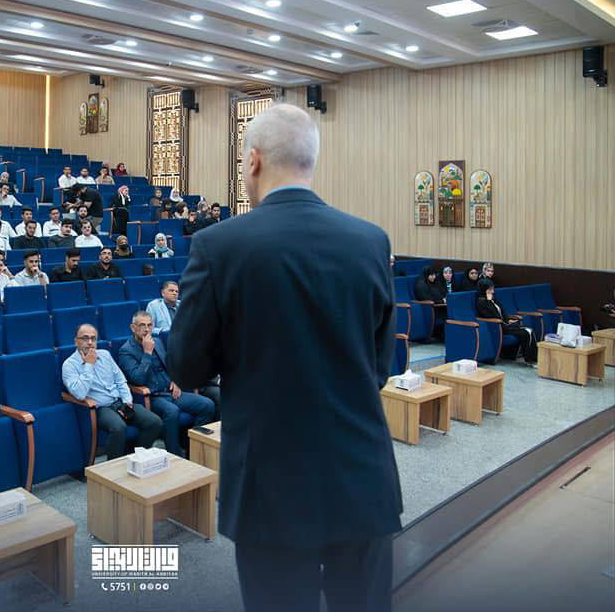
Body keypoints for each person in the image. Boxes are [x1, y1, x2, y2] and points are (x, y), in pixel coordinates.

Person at [166, 103, 401, 612]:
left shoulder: (218, 245)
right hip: (362, 476)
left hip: (269, 486)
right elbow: (381, 368)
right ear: (311, 160)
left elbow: (186, 367)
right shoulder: (370, 241)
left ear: (252, 160)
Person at [118, 311, 215, 457]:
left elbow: (169, 365)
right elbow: (138, 379)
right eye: (142, 325)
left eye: (149, 325)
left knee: (207, 405)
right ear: (133, 327)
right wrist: (147, 353)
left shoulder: (157, 341)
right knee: (172, 411)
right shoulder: (126, 350)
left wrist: (175, 379)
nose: (146, 329)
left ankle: (192, 449)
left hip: (171, 391)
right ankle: (174, 453)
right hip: (152, 397)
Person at [62, 323, 163, 460]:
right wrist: (89, 365)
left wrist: (127, 401)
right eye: (85, 338)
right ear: (76, 341)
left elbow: (121, 381)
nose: (90, 342)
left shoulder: (105, 355)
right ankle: (113, 467)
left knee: (154, 422)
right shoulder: (69, 365)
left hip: (120, 402)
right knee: (118, 428)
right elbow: (79, 394)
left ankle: (135, 458)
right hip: (100, 408)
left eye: (93, 338)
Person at [476, 279, 537, 363]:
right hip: (496, 327)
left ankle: (532, 358)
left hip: (504, 325)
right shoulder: (481, 302)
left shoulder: (493, 299)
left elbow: (502, 312)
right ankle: (530, 359)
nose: (493, 291)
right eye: (490, 289)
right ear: (484, 289)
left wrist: (508, 320)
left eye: (492, 289)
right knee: (526, 332)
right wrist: (489, 302)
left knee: (529, 330)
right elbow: (492, 316)